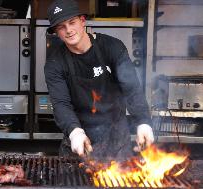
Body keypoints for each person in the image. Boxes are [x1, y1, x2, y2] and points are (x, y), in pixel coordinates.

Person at [44, 0, 154, 160]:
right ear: (56, 32)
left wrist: (143, 121)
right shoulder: (55, 63)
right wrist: (74, 132)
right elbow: (61, 104)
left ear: (82, 21)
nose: (68, 30)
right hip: (80, 138)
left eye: (72, 22)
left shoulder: (112, 47)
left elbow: (131, 89)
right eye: (61, 27)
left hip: (116, 139)